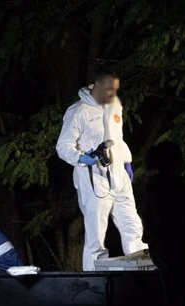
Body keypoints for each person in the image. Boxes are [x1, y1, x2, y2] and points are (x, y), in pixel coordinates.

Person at [55, 67, 147, 271]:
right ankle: (94, 281)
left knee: (132, 225)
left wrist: (126, 161)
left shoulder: (115, 105)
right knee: (96, 234)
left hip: (119, 176)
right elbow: (63, 146)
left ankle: (141, 271)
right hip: (93, 178)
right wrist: (81, 158)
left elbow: (118, 137)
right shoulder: (78, 111)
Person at [143, 141, 185, 306]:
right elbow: (181, 211)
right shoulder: (172, 182)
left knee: (173, 295)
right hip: (176, 244)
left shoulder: (152, 184)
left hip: (159, 245)